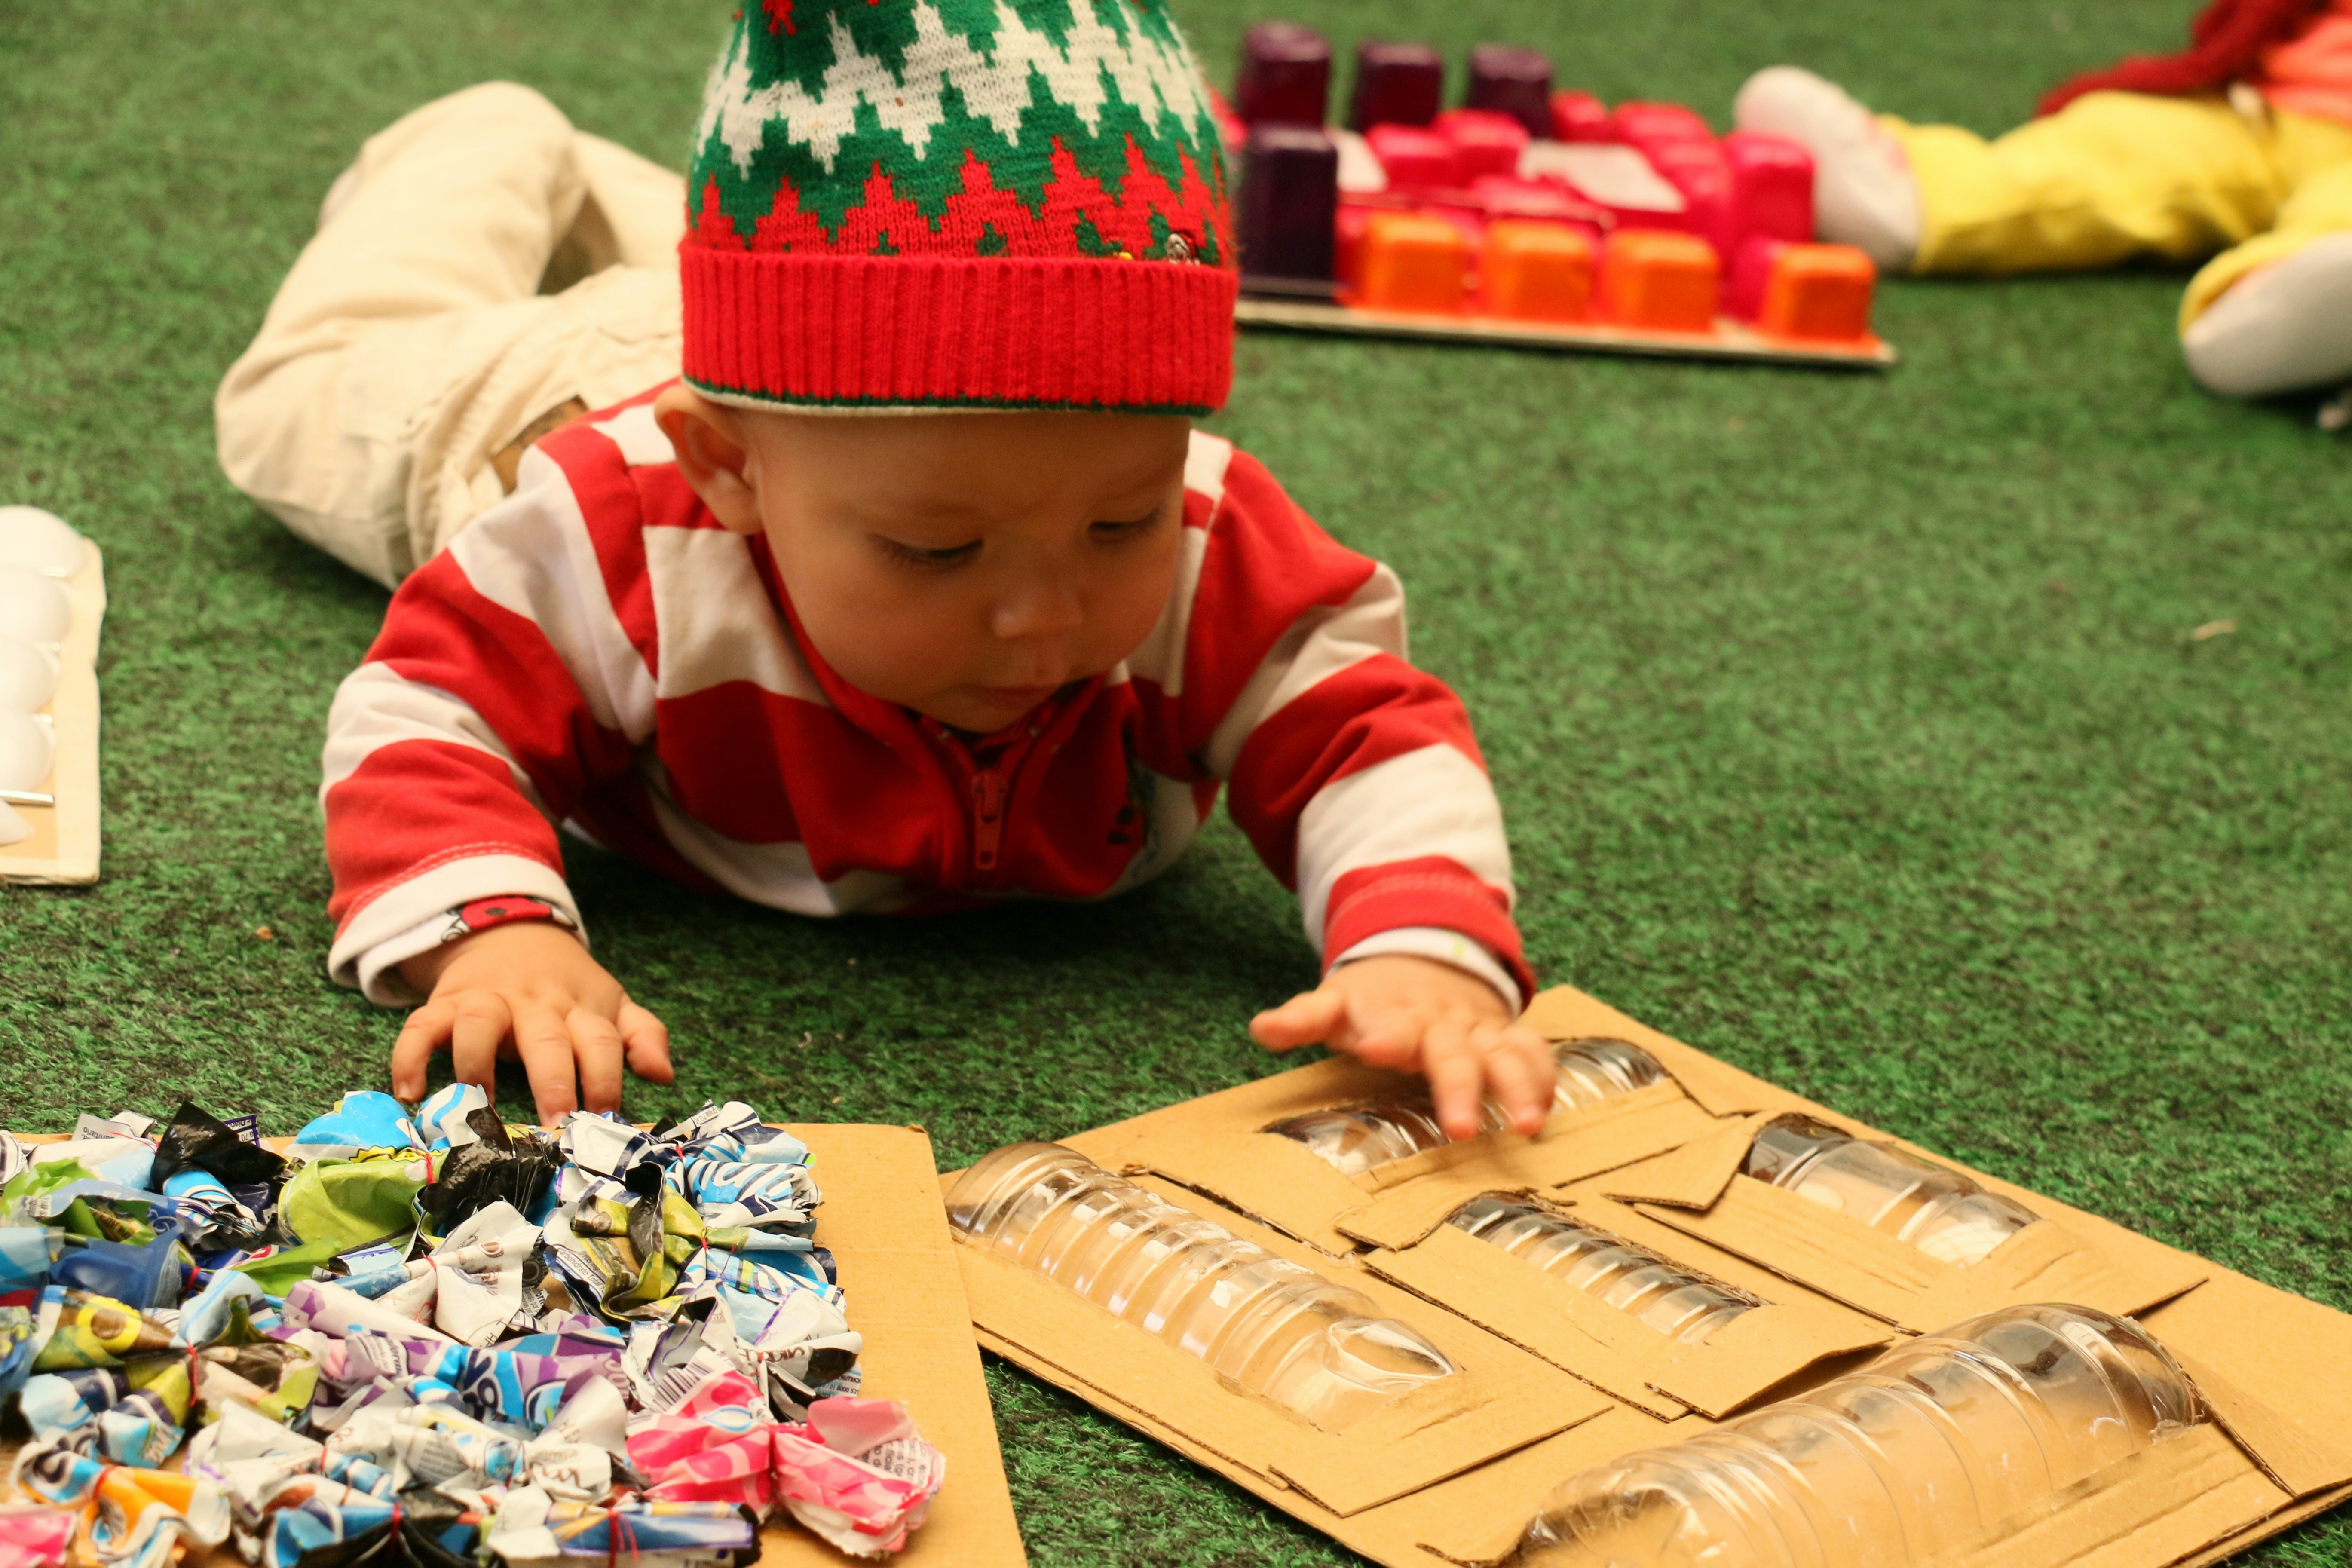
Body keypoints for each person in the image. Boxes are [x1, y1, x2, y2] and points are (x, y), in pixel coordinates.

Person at [217, 0, 1558, 1132]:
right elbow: (426, 710)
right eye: (939, 550)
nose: (1045, 615)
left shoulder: (1200, 527)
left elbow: (1368, 732)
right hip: (533, 401)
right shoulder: (617, 533)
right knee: (292, 395)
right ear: (728, 470)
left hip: (796, 351)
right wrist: (497, 930)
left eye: (1117, 526)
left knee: (779, 309)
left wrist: (1420, 948)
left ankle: (696, 237)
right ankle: (495, 139)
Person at [1735, 0, 2352, 398]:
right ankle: (1921, 194)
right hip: (2268, 103)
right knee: (2116, 140)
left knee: (2337, 217)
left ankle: (2275, 307)